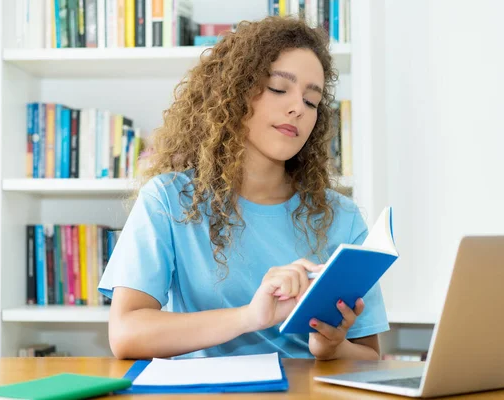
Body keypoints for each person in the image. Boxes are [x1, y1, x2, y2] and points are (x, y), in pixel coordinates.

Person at [98, 15, 389, 361]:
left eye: (311, 101)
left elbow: (370, 356)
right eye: (280, 88)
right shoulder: (168, 199)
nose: (297, 108)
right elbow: (126, 333)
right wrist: (250, 317)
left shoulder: (341, 217)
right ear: (235, 93)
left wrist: (332, 346)